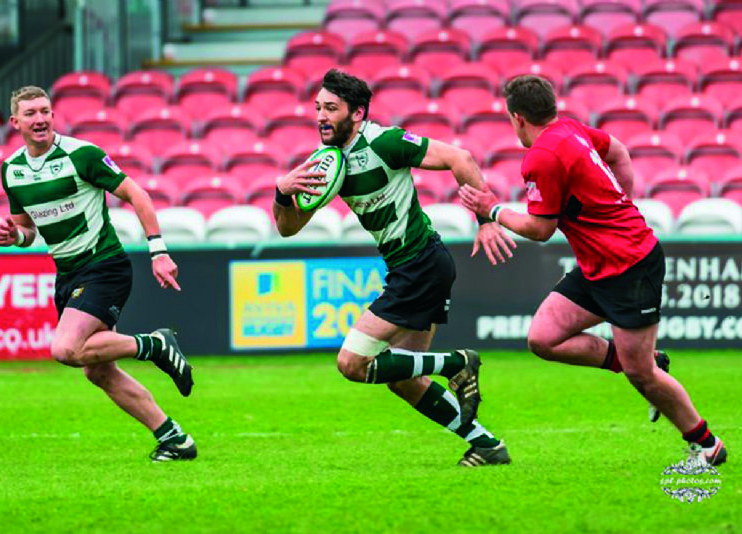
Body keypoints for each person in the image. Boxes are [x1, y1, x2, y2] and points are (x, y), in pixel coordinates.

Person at [459, 75, 727, 466]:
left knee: (643, 376)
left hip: (630, 265)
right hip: (598, 264)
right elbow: (618, 150)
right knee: (543, 338)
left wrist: (493, 210)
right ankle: (648, 361)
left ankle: (707, 445)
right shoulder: (569, 128)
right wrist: (621, 200)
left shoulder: (541, 156)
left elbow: (540, 228)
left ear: (517, 118)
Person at [273, 69, 517, 467]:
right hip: (413, 268)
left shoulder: (385, 142)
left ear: (357, 113)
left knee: (352, 363)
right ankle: (487, 444)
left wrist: (486, 219)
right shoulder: (326, 163)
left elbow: (461, 158)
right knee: (403, 379)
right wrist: (282, 191)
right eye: (318, 107)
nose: (321, 116)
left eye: (331, 108)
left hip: (420, 264)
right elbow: (287, 228)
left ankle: (457, 363)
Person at [0, 86, 197, 462]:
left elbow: (138, 194)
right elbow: (28, 232)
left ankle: (154, 344)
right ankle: (174, 439)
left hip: (103, 265)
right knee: (98, 372)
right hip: (67, 275)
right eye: (31, 113)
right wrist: (14, 236)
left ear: (53, 115)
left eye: (45, 111)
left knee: (65, 349)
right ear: (15, 122)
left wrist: (159, 251)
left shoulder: (81, 154)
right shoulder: (12, 171)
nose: (40, 119)